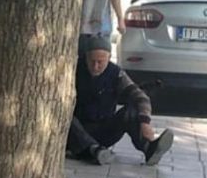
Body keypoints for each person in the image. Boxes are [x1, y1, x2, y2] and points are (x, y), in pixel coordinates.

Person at [68, 36, 173, 165]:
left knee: (130, 112)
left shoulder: (116, 74)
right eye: (92, 61)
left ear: (109, 58)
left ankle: (149, 148)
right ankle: (92, 150)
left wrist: (145, 122)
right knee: (67, 115)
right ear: (86, 57)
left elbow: (140, 97)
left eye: (100, 62)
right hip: (77, 133)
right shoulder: (74, 70)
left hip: (103, 129)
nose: (95, 66)